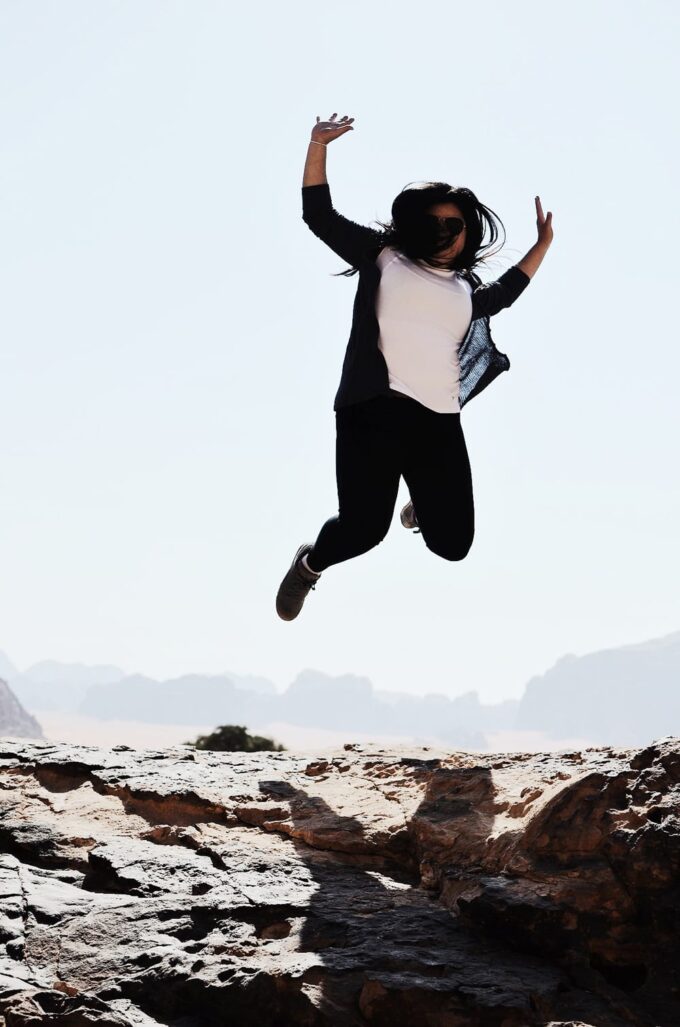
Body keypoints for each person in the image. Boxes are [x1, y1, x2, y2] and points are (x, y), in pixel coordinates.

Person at [276, 112, 553, 622]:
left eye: (456, 225)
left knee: (454, 545)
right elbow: (319, 216)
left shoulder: (465, 291)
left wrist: (541, 248)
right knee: (364, 531)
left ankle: (423, 505)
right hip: (372, 412)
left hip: (437, 422)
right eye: (436, 223)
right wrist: (319, 146)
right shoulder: (383, 256)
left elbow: (503, 296)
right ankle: (310, 564)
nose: (447, 233)